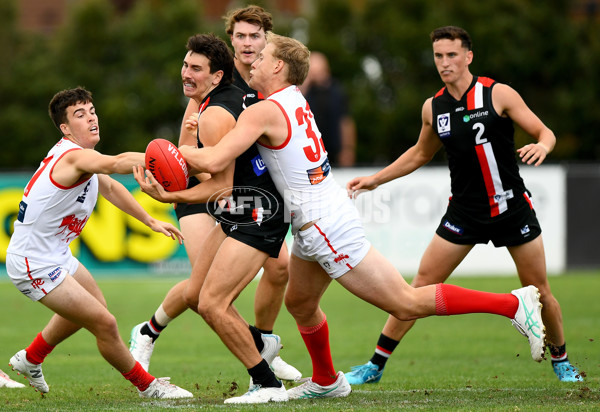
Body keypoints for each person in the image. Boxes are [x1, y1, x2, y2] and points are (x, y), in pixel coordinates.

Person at [173, 32, 546, 402]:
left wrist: (169, 160)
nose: (252, 60)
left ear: (278, 66)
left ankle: (513, 305)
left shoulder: (264, 110)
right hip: (314, 218)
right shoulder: (289, 98)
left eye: (262, 54)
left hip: (325, 224)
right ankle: (326, 380)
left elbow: (216, 160)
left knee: (404, 302)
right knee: (301, 303)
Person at [344, 25, 583, 385]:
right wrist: (376, 179)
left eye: (452, 55)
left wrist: (544, 147)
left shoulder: (497, 93)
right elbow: (420, 153)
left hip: (511, 208)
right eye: (439, 56)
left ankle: (562, 362)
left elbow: (544, 132)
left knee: (539, 292)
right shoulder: (434, 107)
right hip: (465, 213)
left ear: (468, 56)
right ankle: (375, 365)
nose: (445, 63)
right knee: (418, 287)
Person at [128, 5, 300, 382]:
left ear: (267, 42)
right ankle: (150, 333)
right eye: (240, 35)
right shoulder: (212, 81)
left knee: (280, 267)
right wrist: (203, 147)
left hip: (237, 188)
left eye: (256, 36)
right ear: (231, 39)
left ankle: (263, 342)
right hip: (201, 190)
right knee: (205, 292)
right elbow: (182, 157)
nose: (248, 42)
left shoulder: (267, 78)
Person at [5, 87, 193, 398]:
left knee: (96, 309)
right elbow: (118, 162)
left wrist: (149, 220)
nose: (91, 117)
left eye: (92, 111)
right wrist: (169, 157)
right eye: (80, 114)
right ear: (65, 128)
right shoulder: (72, 157)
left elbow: (109, 186)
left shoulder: (84, 161)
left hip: (54, 254)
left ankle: (31, 357)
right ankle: (148, 386)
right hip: (32, 261)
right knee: (104, 323)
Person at [300, 51, 356, 167]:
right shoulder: (304, 91)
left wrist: (348, 149)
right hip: (310, 153)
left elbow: (346, 122)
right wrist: (306, 82)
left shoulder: (337, 91)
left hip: (335, 152)